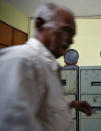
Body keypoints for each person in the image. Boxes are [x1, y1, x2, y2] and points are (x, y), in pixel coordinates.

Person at [0, 3, 92, 131]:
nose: (71, 40)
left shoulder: (47, 65)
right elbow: (13, 124)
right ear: (40, 24)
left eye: (73, 35)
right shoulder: (22, 60)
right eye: (66, 30)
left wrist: (72, 103)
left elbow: (44, 105)